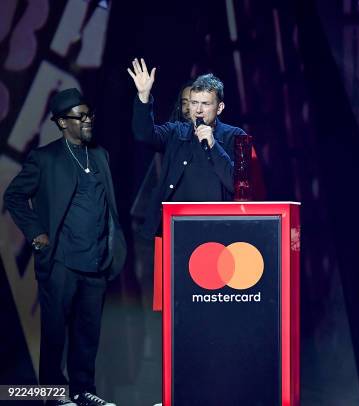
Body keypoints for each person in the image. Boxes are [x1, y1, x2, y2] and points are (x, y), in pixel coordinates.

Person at [4, 88, 126, 406]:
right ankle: (54, 395)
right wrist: (37, 233)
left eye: (89, 114)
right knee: (56, 333)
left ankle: (84, 391)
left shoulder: (100, 155)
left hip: (96, 261)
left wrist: (111, 246)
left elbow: (108, 205)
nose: (87, 121)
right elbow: (13, 196)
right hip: (61, 260)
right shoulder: (45, 159)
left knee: (88, 333)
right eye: (79, 116)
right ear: (61, 122)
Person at [127, 58, 245, 239]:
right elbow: (144, 134)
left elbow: (240, 186)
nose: (198, 110)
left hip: (218, 231)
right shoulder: (176, 132)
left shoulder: (237, 136)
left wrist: (214, 146)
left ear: (219, 107)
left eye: (205, 104)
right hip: (176, 230)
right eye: (194, 103)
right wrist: (143, 97)